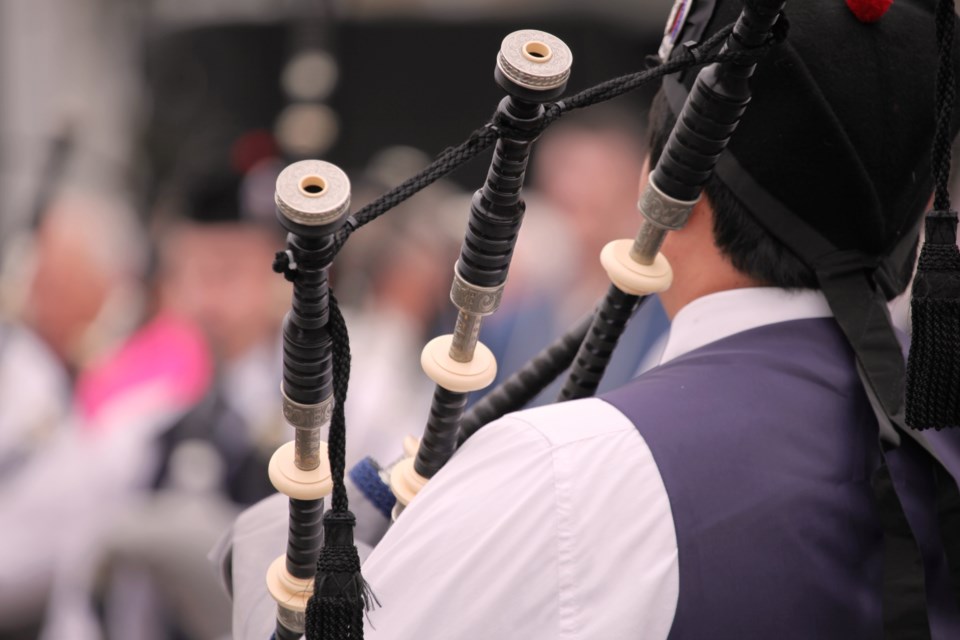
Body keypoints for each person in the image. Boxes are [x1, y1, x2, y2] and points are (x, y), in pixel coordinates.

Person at [227, 1, 960, 638]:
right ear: (921, 211)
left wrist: (272, 550)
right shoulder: (940, 430)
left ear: (663, 184)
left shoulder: (569, 470)